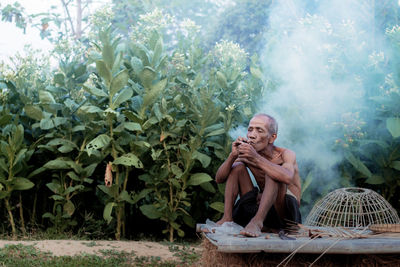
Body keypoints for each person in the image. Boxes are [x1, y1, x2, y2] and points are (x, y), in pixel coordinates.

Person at [215, 113, 301, 237]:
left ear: (272, 138)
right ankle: (227, 218)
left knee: (273, 173)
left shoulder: (285, 154)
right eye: (250, 130)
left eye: (259, 130)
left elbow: (287, 177)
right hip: (264, 209)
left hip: (286, 216)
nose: (252, 135)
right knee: (237, 167)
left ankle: (257, 222)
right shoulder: (249, 154)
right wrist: (232, 156)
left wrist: (256, 159)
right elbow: (219, 179)